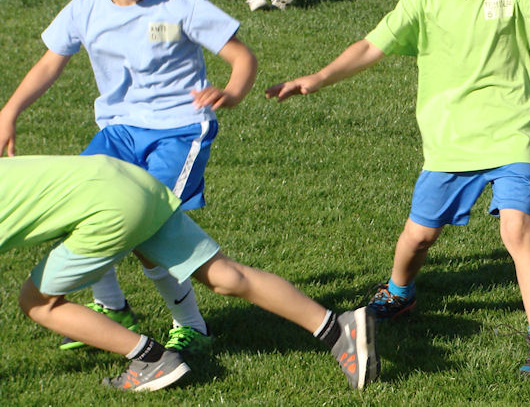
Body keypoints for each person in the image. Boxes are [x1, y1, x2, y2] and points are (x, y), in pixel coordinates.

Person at [266, 0, 530, 378]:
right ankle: (400, 292)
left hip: (511, 136)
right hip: (448, 143)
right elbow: (370, 47)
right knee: (418, 237)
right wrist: (319, 77)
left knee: (517, 230)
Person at [0, 0, 257, 354]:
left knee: (146, 232)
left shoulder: (181, 7)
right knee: (78, 211)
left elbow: (242, 57)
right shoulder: (84, 9)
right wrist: (9, 111)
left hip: (179, 131)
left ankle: (192, 325)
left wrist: (233, 92)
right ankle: (112, 306)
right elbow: (49, 64)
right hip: (118, 132)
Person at [1, 154, 379, 391]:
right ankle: (338, 329)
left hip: (106, 208)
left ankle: (151, 359)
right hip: (130, 180)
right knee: (227, 276)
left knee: (39, 303)